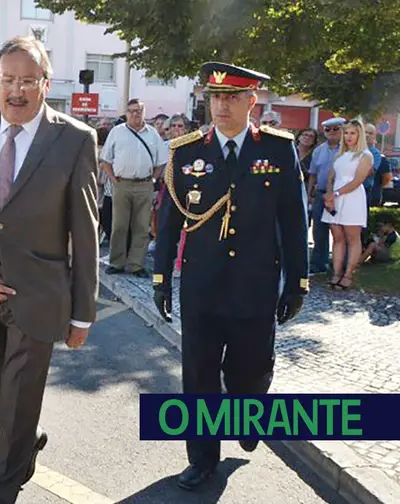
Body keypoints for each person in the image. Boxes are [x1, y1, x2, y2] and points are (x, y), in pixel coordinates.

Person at [0, 36, 99, 503]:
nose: (17, 90)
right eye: (8, 79)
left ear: (45, 84)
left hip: (40, 297)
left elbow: (85, 232)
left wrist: (82, 314)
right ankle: (23, 446)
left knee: (15, 402)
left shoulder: (74, 140)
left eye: (28, 81)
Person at [153, 62, 309, 490]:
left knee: (251, 370)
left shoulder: (277, 150)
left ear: (251, 101)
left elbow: (294, 220)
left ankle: (249, 409)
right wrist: (162, 278)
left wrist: (298, 282)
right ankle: (203, 458)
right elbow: (168, 222)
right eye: (215, 97)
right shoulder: (185, 152)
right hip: (202, 286)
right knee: (199, 375)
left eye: (232, 97)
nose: (221, 106)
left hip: (255, 285)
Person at [100, 98, 168, 277]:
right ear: (127, 113)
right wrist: (114, 180)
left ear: (144, 112)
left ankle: (136, 264)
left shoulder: (153, 134)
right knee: (119, 225)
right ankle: (117, 262)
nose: (135, 114)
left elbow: (161, 161)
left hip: (145, 184)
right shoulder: (117, 132)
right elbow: (105, 159)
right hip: (122, 184)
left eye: (138, 110)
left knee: (141, 226)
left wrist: (153, 180)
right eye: (131, 110)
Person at [321, 119, 373, 290]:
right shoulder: (340, 154)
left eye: (353, 133)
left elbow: (358, 181)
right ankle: (335, 274)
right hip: (334, 198)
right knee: (337, 238)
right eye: (346, 133)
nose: (349, 136)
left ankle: (348, 275)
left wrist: (335, 194)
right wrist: (329, 194)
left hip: (352, 198)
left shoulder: (365, 155)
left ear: (360, 135)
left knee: (352, 238)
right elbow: (330, 177)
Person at [307, 117, 345, 274]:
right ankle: (319, 264)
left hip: (342, 195)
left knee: (341, 231)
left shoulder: (349, 149)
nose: (331, 132)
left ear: (342, 129)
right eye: (327, 129)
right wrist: (310, 194)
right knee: (319, 231)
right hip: (322, 194)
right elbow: (313, 174)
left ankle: (341, 265)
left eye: (335, 129)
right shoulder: (319, 150)